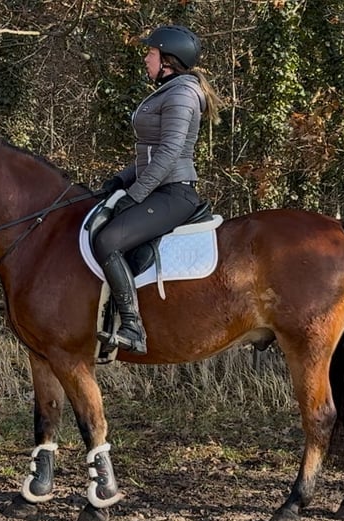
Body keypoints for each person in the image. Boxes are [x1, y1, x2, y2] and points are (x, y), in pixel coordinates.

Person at [94, 24, 223, 355]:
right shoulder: (169, 90)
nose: (146, 59)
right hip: (154, 188)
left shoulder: (182, 94)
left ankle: (133, 328)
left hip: (172, 193)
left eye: (151, 53)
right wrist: (122, 179)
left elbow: (168, 153)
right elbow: (150, 152)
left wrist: (135, 195)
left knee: (108, 240)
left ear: (168, 59)